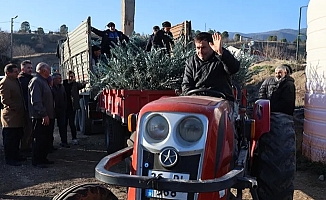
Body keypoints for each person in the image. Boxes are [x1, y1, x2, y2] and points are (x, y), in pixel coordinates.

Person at [181, 32, 240, 101]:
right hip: (198, 101)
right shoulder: (191, 62)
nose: (200, 51)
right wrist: (195, 98)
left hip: (221, 101)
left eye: (203, 48)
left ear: (211, 46)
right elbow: (186, 85)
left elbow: (234, 69)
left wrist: (221, 53)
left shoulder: (221, 59)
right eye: (198, 48)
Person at [28, 62, 55, 168]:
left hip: (47, 116)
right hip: (40, 117)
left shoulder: (43, 81)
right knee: (39, 139)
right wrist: (43, 114)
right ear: (43, 71)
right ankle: (37, 160)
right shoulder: (36, 81)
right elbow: (36, 101)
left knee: (45, 139)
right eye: (49, 70)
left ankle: (43, 158)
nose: (50, 73)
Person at [0, 64, 27, 166]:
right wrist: (16, 107)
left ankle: (16, 155)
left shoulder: (15, 81)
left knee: (17, 137)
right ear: (8, 73)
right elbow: (5, 100)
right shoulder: (5, 83)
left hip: (18, 115)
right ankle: (10, 158)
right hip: (10, 117)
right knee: (10, 138)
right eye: (15, 72)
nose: (17, 73)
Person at [63, 71, 86, 144]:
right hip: (64, 107)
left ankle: (74, 138)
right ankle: (64, 140)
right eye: (69, 76)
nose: (70, 78)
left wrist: (84, 83)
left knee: (72, 123)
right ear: (67, 76)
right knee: (63, 124)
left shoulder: (75, 84)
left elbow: (81, 85)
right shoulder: (64, 84)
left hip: (72, 107)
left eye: (72, 76)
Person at [18, 60, 33, 152]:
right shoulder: (21, 80)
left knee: (30, 129)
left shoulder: (30, 78)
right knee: (26, 129)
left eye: (31, 68)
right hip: (25, 108)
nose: (30, 69)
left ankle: (28, 146)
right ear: (22, 69)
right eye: (28, 68)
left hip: (30, 108)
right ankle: (24, 148)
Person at [52, 73, 69, 148]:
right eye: (58, 78)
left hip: (61, 109)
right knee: (51, 128)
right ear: (54, 79)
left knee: (63, 126)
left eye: (60, 78)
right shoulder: (50, 87)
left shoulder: (61, 87)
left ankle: (64, 142)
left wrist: (65, 106)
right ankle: (50, 144)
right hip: (52, 110)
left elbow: (65, 96)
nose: (60, 80)